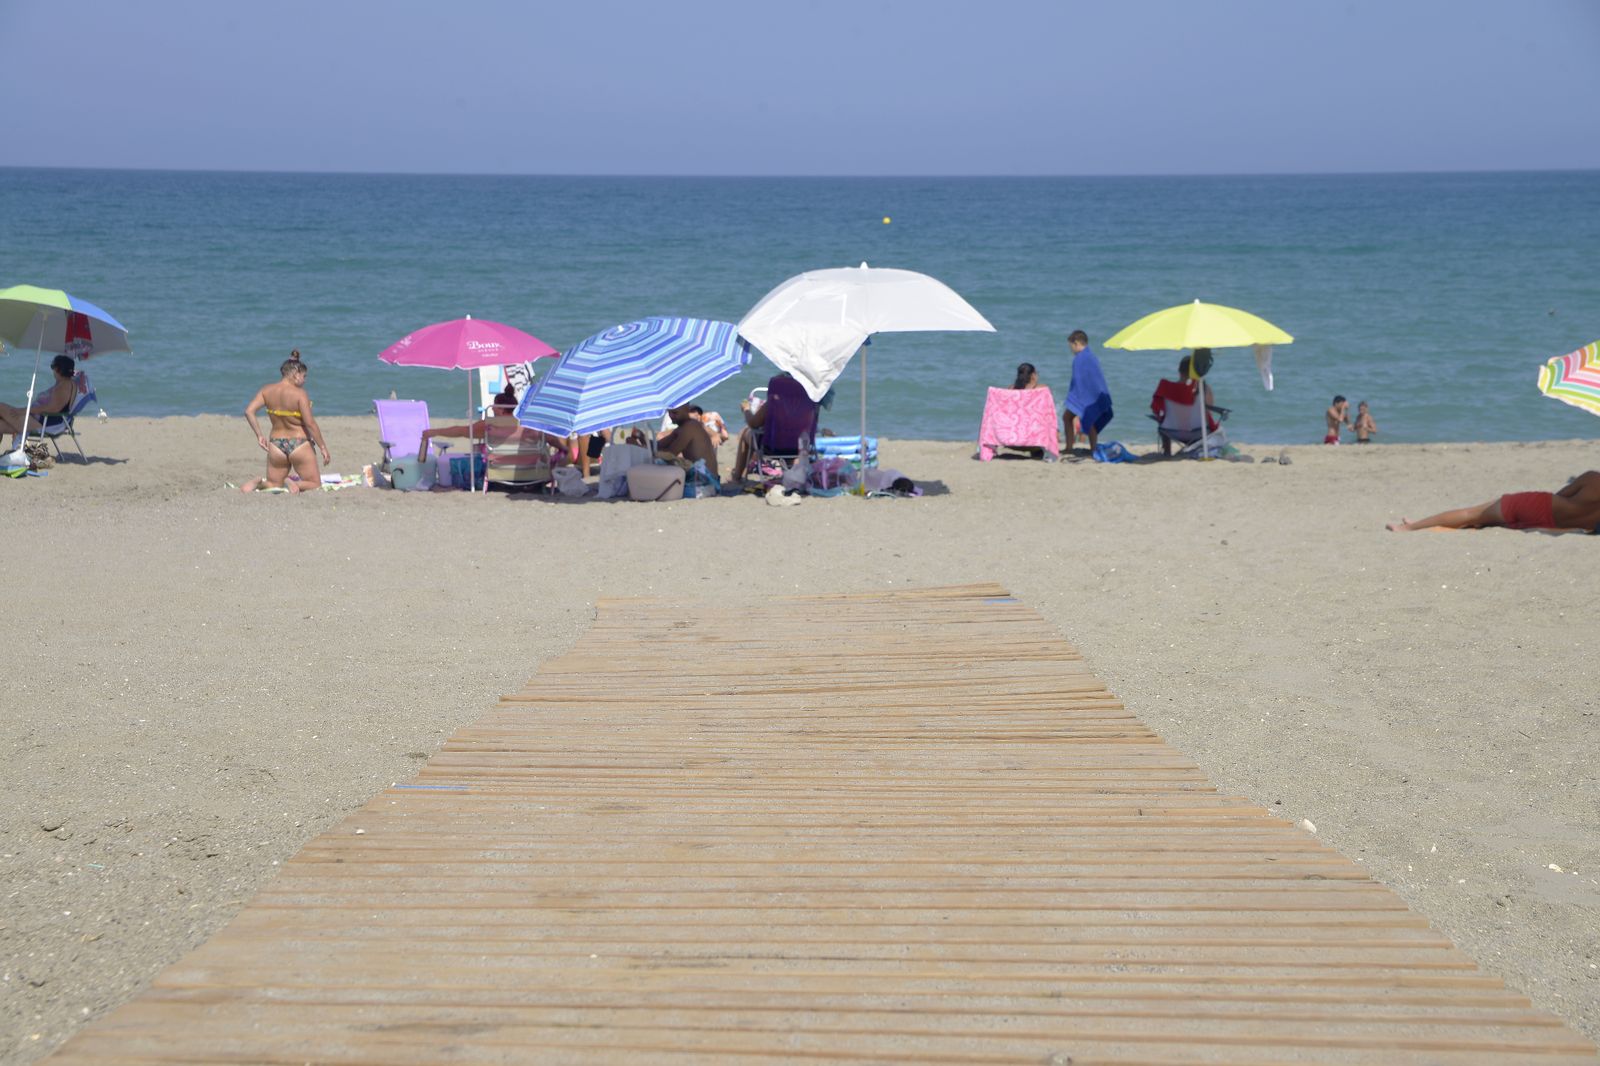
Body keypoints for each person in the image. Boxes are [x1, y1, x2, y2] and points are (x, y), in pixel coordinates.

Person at [418, 386, 567, 488]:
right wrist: (563, 449)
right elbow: (555, 441)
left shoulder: (490, 425)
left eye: (495, 406)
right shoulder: (531, 424)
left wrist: (434, 432)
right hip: (532, 476)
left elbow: (462, 431)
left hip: (499, 476)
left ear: (501, 409)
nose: (493, 408)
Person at [1387, 471, 1600, 533]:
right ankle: (1420, 525)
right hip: (1555, 523)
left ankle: (1410, 527)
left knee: (1472, 514)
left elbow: (1561, 495)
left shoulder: (1593, 478)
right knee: (1484, 519)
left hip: (1542, 507)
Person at [240, 352, 330, 493]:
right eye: (304, 376)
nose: (305, 380)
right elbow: (310, 423)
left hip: (276, 444)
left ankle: (259, 483)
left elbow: (249, 411)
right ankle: (295, 484)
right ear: (295, 374)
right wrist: (322, 447)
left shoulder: (266, 390)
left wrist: (259, 435)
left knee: (274, 484)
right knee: (314, 483)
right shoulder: (300, 393)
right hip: (299, 443)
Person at [729, 372, 820, 485]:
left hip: (773, 447)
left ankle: (737, 477)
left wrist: (746, 410)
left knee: (745, 433)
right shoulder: (810, 404)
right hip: (801, 448)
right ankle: (790, 471)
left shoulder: (773, 403)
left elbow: (753, 423)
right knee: (791, 437)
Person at [1149, 353, 1219, 457]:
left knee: (1162, 420)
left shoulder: (1165, 388)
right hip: (1199, 432)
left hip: (1171, 432)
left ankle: (1167, 451)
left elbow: (1156, 410)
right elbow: (1208, 413)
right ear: (1196, 372)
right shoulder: (1203, 388)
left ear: (1179, 371)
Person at [0, 354, 78, 445]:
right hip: (40, 420)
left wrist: (25, 410)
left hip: (42, 423)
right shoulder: (66, 383)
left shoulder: (64, 386)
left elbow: (53, 408)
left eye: (52, 366)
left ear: (57, 369)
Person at [1063, 330, 1113, 454]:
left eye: (1071, 346)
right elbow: (1096, 379)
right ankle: (1093, 449)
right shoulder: (1091, 356)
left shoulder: (1079, 358)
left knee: (1069, 417)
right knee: (1090, 419)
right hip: (1096, 395)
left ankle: (1070, 448)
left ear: (1076, 343)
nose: (1071, 350)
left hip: (1086, 397)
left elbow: (1078, 380)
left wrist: (1076, 400)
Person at [656, 403, 719, 479]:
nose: (671, 416)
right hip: (701, 476)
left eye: (675, 413)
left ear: (686, 410)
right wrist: (645, 441)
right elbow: (659, 445)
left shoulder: (690, 427)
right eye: (669, 412)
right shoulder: (681, 428)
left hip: (707, 480)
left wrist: (654, 452)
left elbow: (670, 454)